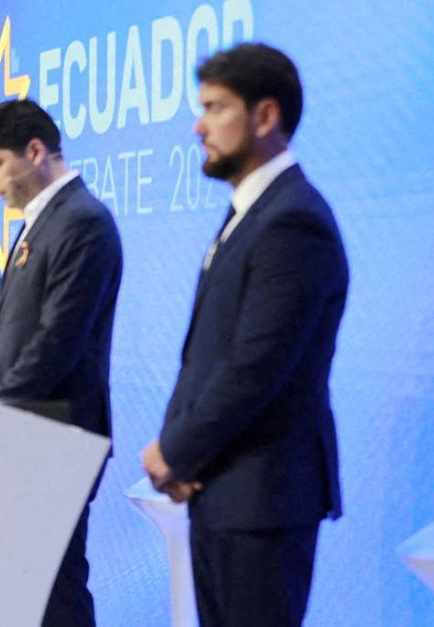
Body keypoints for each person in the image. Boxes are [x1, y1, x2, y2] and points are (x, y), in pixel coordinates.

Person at [141, 43, 348, 627]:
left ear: (265, 116)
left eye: (215, 107)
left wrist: (175, 451)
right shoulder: (250, 213)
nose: (197, 125)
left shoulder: (294, 220)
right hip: (226, 490)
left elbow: (255, 367)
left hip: (264, 497)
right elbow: (209, 355)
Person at [0, 99, 123, 627]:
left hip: (57, 430)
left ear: (34, 151)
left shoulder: (82, 222)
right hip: (26, 426)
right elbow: (9, 337)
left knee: (55, 591)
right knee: (27, 590)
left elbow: (57, 341)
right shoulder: (42, 221)